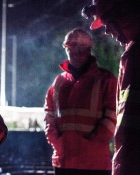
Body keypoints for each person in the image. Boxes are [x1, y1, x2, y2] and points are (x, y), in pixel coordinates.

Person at [44, 28, 117, 175]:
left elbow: (113, 116)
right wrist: (57, 142)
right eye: (72, 48)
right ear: (66, 49)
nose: (76, 53)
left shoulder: (106, 80)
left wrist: (92, 144)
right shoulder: (59, 82)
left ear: (89, 49)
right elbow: (49, 115)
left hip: (93, 162)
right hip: (64, 160)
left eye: (81, 49)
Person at [82, 0, 140, 174]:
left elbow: (130, 129)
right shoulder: (132, 54)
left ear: (124, 15)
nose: (106, 31)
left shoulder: (135, 57)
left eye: (107, 22)